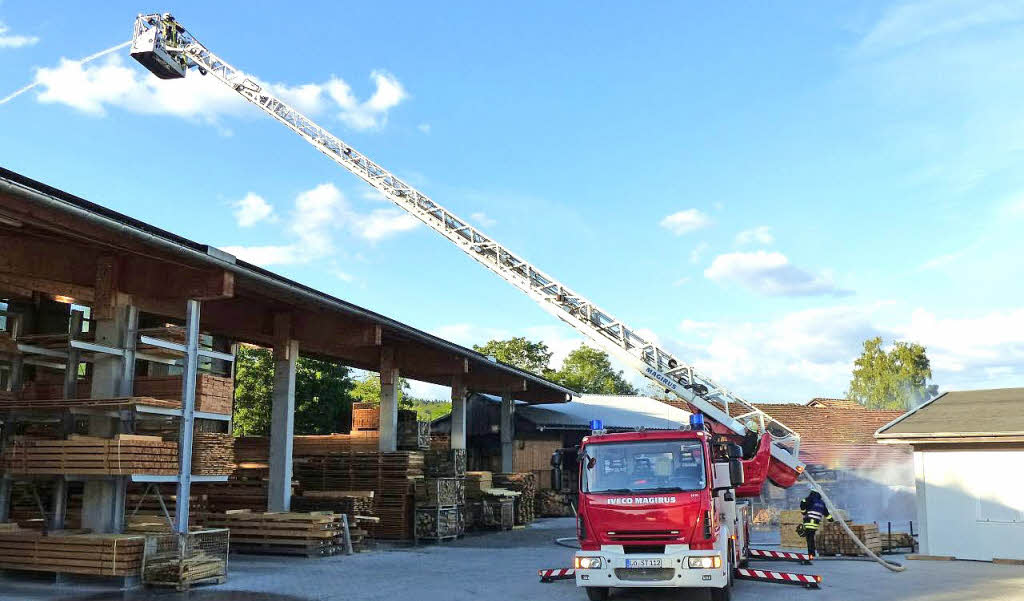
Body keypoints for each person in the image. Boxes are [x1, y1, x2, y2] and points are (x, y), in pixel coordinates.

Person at [799, 490, 832, 562]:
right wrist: (831, 520)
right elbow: (826, 513)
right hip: (816, 523)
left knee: (809, 539)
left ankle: (811, 555)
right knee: (811, 538)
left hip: (809, 522)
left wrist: (804, 512)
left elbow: (802, 502)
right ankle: (812, 554)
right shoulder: (821, 502)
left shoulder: (810, 499)